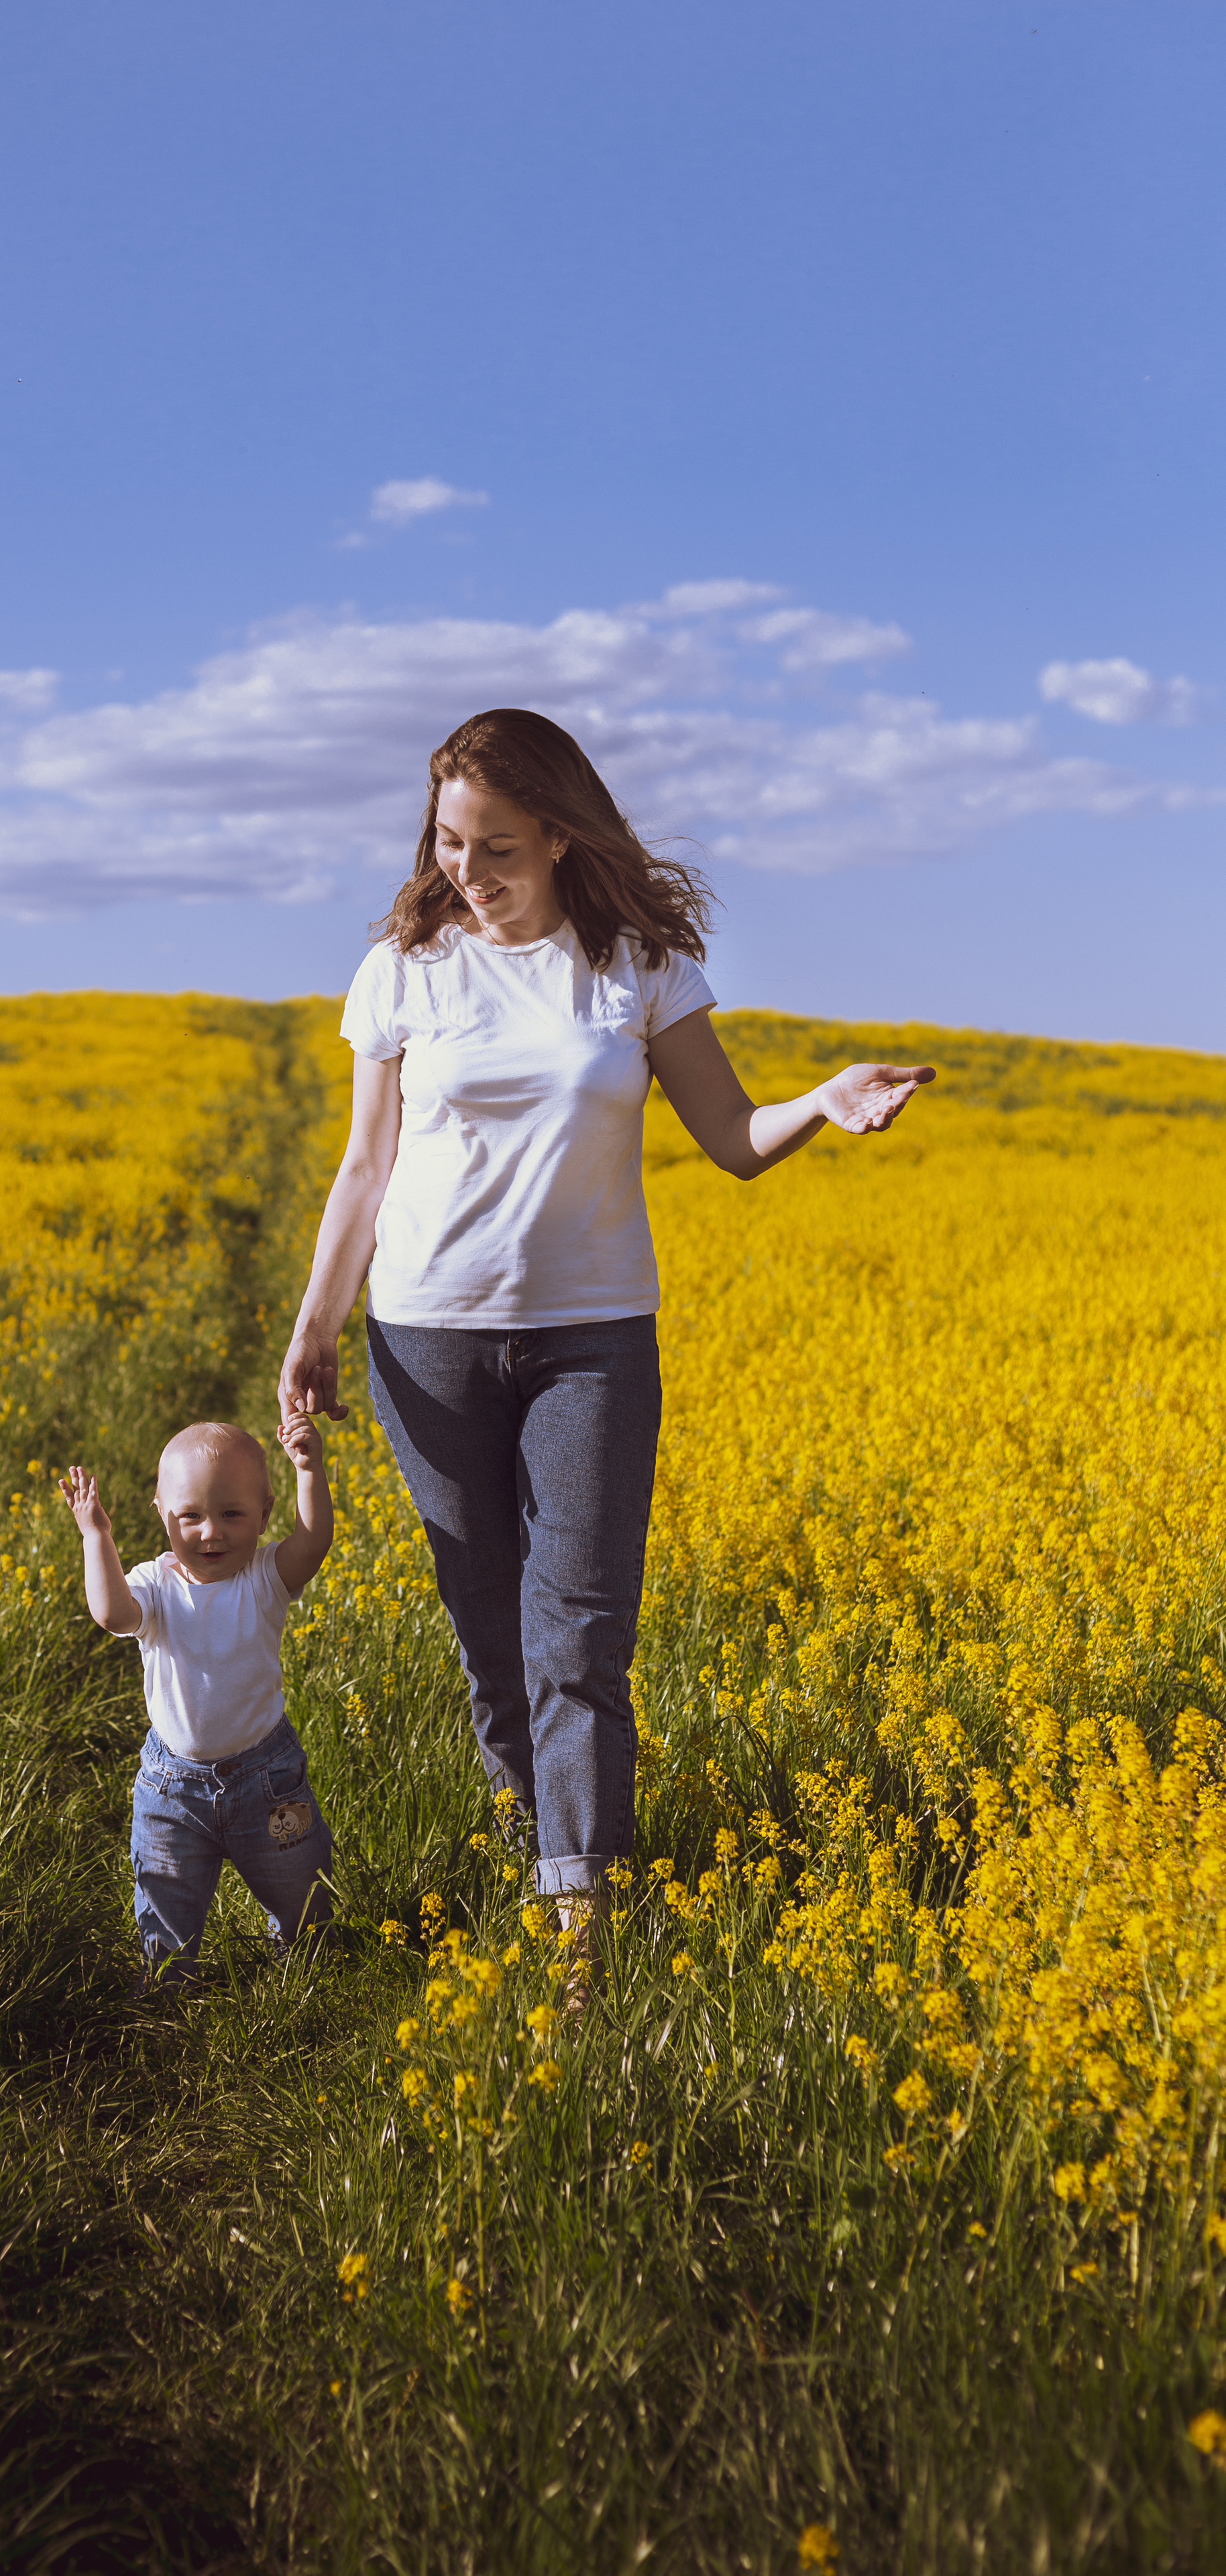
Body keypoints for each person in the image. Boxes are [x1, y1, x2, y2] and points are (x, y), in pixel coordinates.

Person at [277, 706, 933, 1972]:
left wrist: (827, 1103)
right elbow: (365, 1170)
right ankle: (534, 1828)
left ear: (564, 838)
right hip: (428, 1338)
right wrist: (315, 1329)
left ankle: (581, 1915)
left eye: (498, 847)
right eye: (450, 841)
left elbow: (733, 1140)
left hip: (592, 1343)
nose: (466, 870)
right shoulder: (405, 968)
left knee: (577, 1628)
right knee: (487, 1627)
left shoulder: (636, 967)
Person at [62, 1415, 335, 1980]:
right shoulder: (154, 1585)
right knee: (165, 1900)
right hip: (172, 1789)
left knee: (300, 1890)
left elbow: (313, 1544)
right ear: (161, 1513)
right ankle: (170, 1990)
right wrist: (96, 1537)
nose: (211, 1533)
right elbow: (112, 1614)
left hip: (267, 1778)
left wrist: (310, 1470)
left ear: (265, 1513)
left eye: (232, 1515)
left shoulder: (264, 1579)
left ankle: (305, 1962)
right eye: (191, 1516)